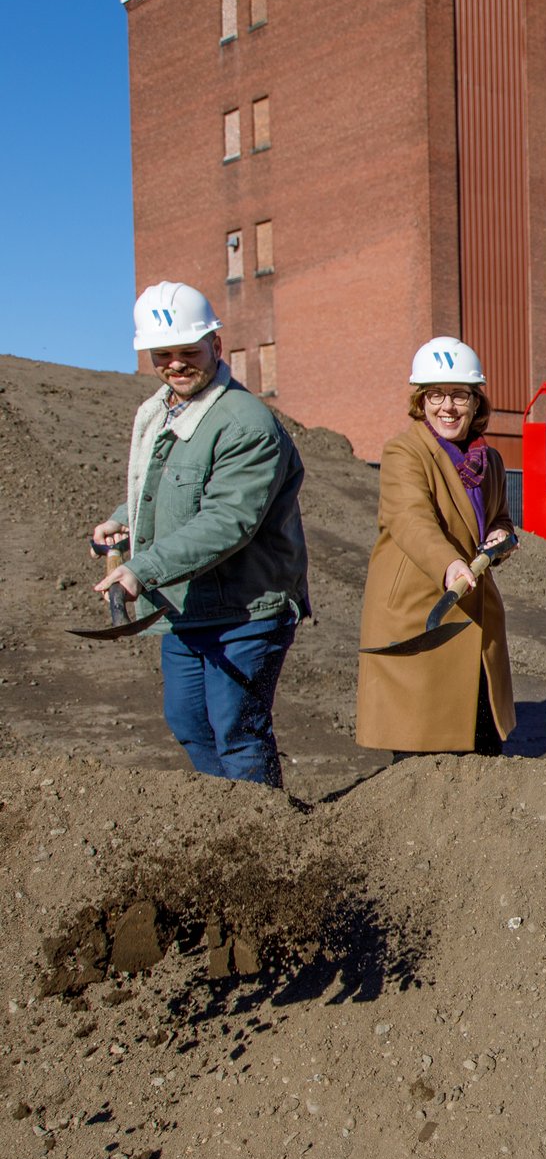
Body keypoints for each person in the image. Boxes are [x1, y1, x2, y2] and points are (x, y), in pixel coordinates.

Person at [92, 281, 309, 787]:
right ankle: (225, 828)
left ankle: (263, 838)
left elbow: (226, 521)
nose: (175, 364)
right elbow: (168, 481)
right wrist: (124, 517)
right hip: (187, 604)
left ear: (215, 343)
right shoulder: (165, 411)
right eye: (162, 354)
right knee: (189, 722)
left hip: (246, 609)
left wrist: (142, 568)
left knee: (237, 730)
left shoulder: (245, 423)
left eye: (188, 351)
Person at [356, 338, 517, 756]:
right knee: (421, 744)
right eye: (435, 395)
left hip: (474, 609)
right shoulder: (404, 452)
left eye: (459, 395)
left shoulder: (490, 461)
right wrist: (448, 564)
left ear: (476, 401)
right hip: (422, 608)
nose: (447, 406)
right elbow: (410, 519)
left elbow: (495, 517)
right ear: (421, 401)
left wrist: (500, 535)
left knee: (480, 743)